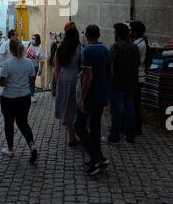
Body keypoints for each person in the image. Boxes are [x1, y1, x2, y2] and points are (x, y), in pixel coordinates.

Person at [74, 24, 111, 176]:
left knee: (79, 126)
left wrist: (82, 97)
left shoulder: (88, 50)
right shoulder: (105, 49)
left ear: (87, 36)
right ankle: (99, 158)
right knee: (95, 128)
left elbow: (88, 77)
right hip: (103, 94)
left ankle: (96, 158)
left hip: (91, 95)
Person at [0, 37, 38, 164]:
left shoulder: (7, 64)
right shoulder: (29, 63)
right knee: (23, 123)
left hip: (8, 98)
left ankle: (10, 149)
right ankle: (32, 145)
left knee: (9, 123)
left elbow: (2, 83)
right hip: (24, 97)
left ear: (10, 50)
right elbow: (32, 79)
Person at [109, 23, 140, 145]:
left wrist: (111, 80)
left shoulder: (115, 47)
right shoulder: (134, 47)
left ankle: (115, 136)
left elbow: (111, 66)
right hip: (131, 82)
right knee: (130, 108)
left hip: (118, 82)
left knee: (117, 110)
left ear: (117, 34)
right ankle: (130, 136)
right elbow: (137, 63)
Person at [54, 27, 83, 147]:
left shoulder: (61, 48)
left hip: (63, 78)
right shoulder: (81, 49)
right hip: (76, 79)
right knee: (77, 107)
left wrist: (59, 80)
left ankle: (71, 136)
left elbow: (57, 68)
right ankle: (79, 134)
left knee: (67, 106)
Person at [130, 21, 148, 134]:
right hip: (138, 76)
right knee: (135, 103)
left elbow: (134, 62)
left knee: (134, 103)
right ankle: (137, 127)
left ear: (135, 33)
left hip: (137, 76)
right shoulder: (139, 42)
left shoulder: (137, 45)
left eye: (131, 30)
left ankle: (136, 127)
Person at [26, 34, 46, 103]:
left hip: (35, 66)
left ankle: (31, 95)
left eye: (33, 39)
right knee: (27, 81)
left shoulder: (40, 48)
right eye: (32, 38)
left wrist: (41, 69)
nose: (32, 40)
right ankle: (28, 94)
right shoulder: (29, 45)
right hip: (27, 65)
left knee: (32, 81)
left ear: (37, 40)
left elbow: (42, 60)